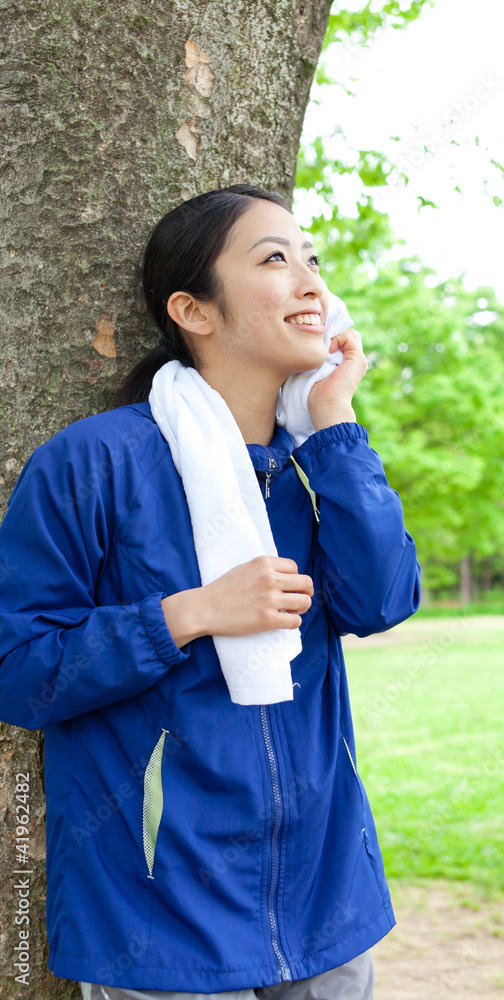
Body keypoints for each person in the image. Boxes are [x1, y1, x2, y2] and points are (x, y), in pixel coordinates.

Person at [0, 185, 421, 998]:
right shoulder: (97, 463)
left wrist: (334, 422)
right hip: (159, 921)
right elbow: (16, 667)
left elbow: (382, 602)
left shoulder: (317, 463)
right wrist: (187, 615)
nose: (311, 282)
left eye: (313, 260)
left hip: (327, 906)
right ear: (192, 310)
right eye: (275, 258)